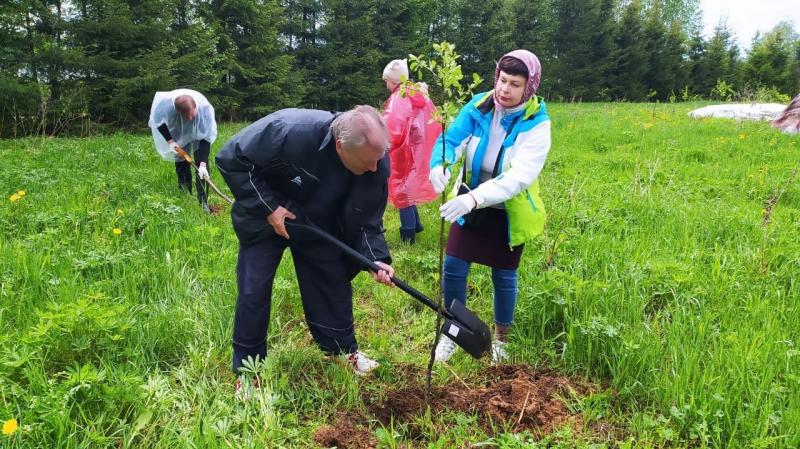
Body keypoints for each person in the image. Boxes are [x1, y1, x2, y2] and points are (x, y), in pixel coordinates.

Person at [215, 105, 395, 381]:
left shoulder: (376, 160)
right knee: (254, 290)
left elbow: (367, 218)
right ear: (340, 146)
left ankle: (341, 352)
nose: (375, 168)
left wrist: (375, 258)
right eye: (366, 162)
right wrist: (270, 207)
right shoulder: (288, 130)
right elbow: (231, 157)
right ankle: (248, 371)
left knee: (331, 282)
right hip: (267, 218)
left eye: (378, 159)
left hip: (318, 225)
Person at [428, 50, 551, 364]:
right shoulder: (480, 105)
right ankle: (453, 333)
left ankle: (501, 340)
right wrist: (440, 164)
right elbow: (451, 139)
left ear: (530, 88)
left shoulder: (537, 123)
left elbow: (519, 177)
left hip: (507, 210)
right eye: (502, 79)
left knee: (504, 274)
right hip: (469, 204)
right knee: (453, 266)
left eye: (514, 84)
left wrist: (474, 198)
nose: (504, 89)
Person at [381, 58, 439, 244]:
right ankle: (417, 224)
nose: (386, 84)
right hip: (415, 148)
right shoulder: (414, 93)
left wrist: (382, 143)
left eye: (387, 81)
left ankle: (408, 235)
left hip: (403, 149)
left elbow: (392, 126)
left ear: (394, 80)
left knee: (402, 190)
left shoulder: (400, 97)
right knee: (408, 186)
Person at [148, 88, 218, 213]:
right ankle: (185, 194)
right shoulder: (165, 107)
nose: (190, 118)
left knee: (202, 167)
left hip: (199, 132)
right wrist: (170, 141)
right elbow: (158, 121)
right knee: (181, 160)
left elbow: (206, 138)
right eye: (187, 116)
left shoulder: (205, 109)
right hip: (179, 131)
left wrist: (202, 164)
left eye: (192, 114)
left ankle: (203, 202)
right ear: (177, 112)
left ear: (196, 106)